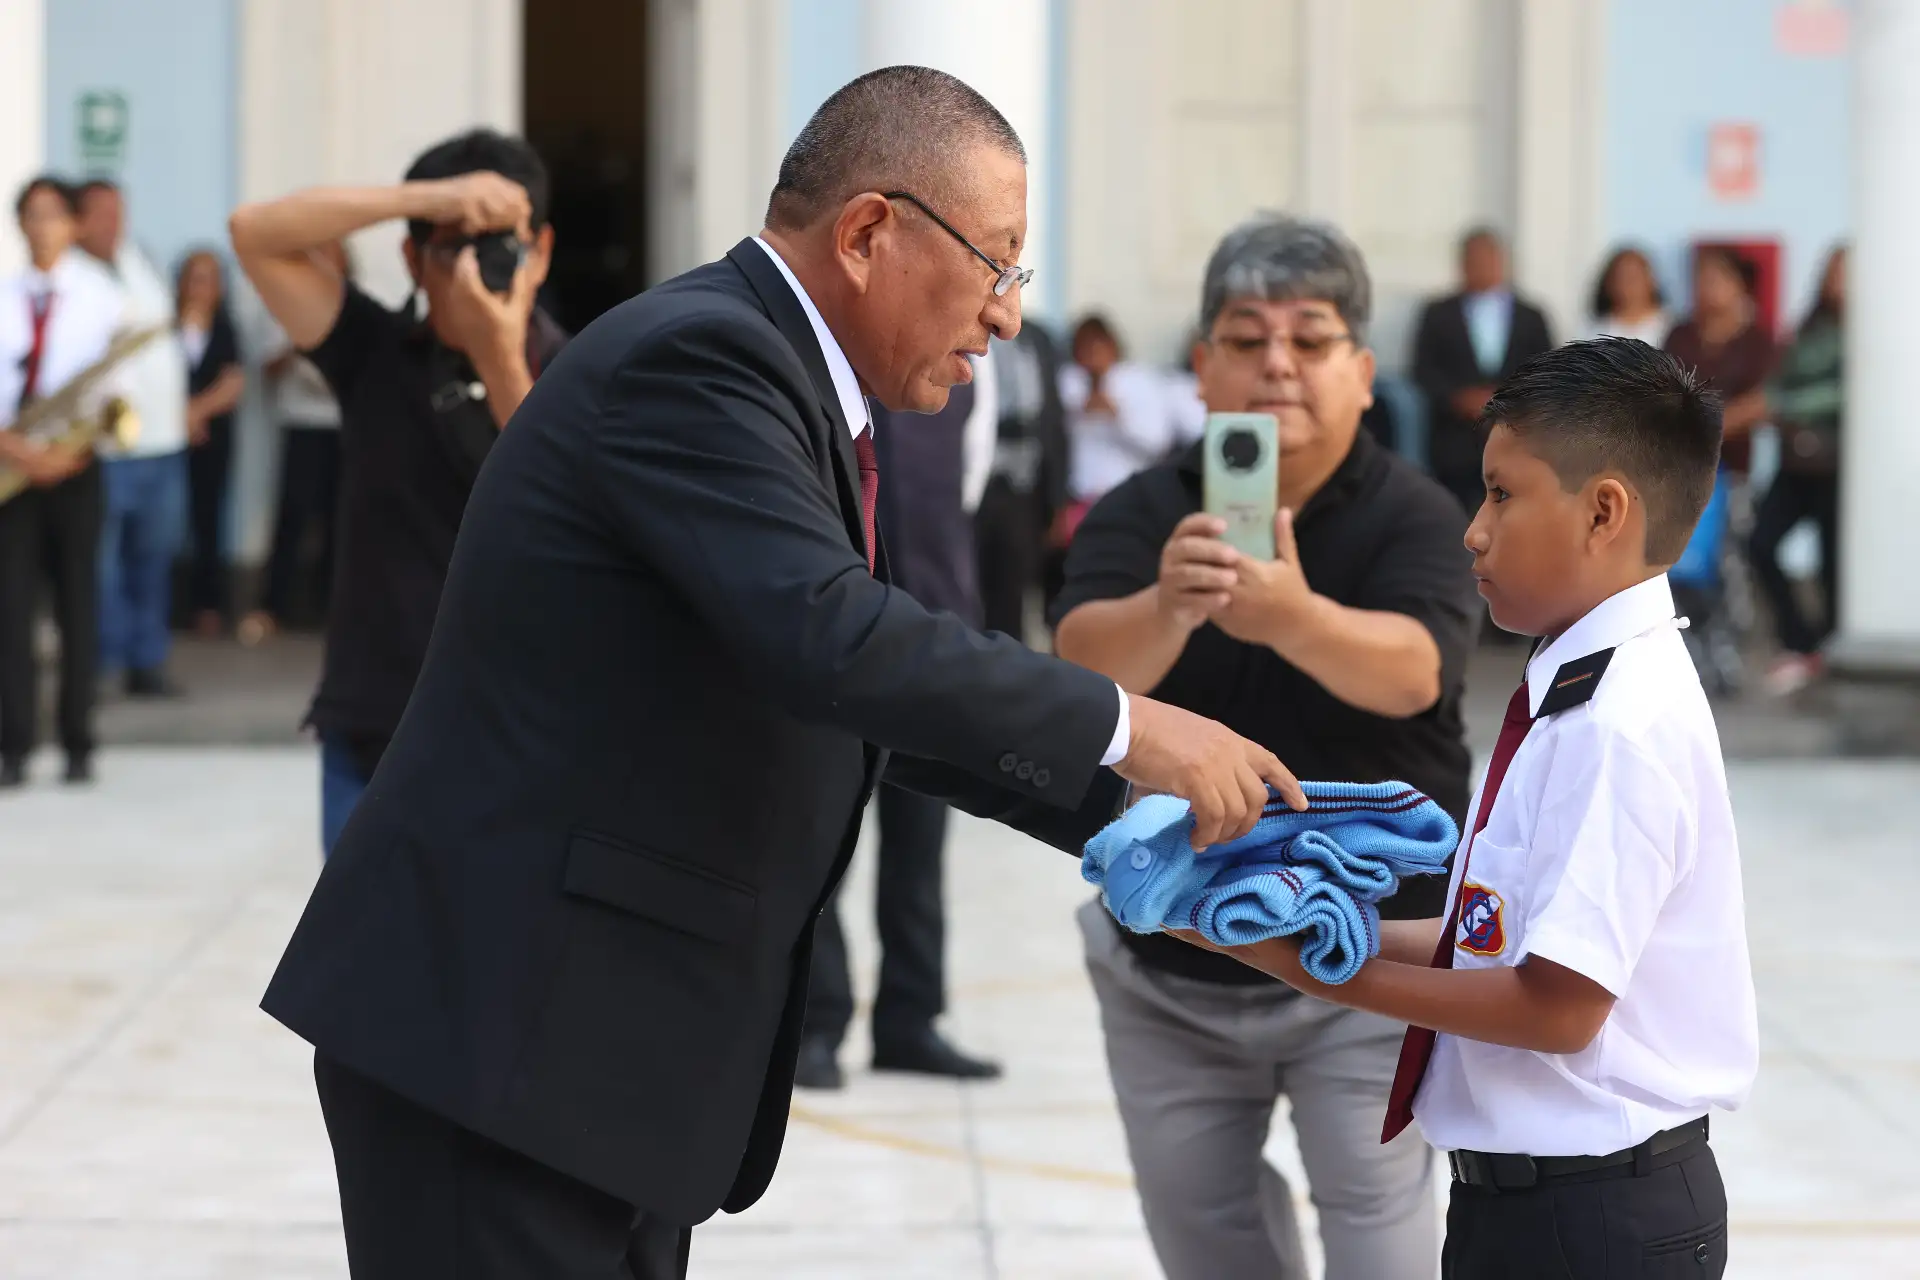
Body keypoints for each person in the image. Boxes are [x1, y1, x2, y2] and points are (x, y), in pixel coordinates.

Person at [258, 66, 1304, 1278]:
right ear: (869, 232)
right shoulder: (701, 359)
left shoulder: (791, 384)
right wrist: (1135, 725)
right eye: (1000, 264)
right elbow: (835, 634)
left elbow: (846, 687)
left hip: (594, 1059)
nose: (1010, 314)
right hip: (500, 1041)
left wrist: (1140, 816)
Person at [1186, 338, 1758, 1278]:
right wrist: (1295, 916)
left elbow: (1558, 1006)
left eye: (1502, 493)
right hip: (1539, 1203)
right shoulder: (1578, 684)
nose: (1473, 531)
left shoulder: (1616, 724)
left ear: (1603, 512)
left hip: (1595, 1219)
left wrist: (1316, 970)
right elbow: (1491, 941)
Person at [1051, 214, 1479, 1280]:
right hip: (1171, 965)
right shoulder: (1143, 507)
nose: (1278, 363)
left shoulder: (1419, 513)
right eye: (1245, 337)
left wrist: (1290, 614)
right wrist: (1169, 605)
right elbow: (1077, 663)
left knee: (1384, 1243)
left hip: (1372, 961)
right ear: (1201, 367)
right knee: (1209, 1243)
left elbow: (1416, 667)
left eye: (1312, 337)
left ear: (1365, 371)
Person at [228, 128, 570, 857]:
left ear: (539, 251)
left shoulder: (587, 372)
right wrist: (430, 198)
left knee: (500, 966)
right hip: (374, 726)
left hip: (523, 732)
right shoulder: (375, 354)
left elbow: (569, 495)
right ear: (412, 260)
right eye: (452, 246)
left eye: (499, 245)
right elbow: (254, 234)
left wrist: (498, 354)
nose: (478, 267)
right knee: (364, 966)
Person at [799, 351, 1004, 1090]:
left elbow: (967, 491)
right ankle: (815, 1024)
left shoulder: (974, 375)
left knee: (920, 849)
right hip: (835, 641)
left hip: (933, 638)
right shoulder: (817, 365)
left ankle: (910, 1020)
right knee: (818, 847)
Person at [0, 178, 123, 789]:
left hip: (75, 467)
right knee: (10, 610)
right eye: (32, 215)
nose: (43, 226)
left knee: (79, 605)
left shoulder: (100, 294)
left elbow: (112, 387)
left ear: (73, 225)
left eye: (54, 215)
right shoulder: (2, 296)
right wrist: (16, 449)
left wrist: (66, 452)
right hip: (9, 468)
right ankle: (14, 744)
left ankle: (79, 740)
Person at [77, 179, 193, 695]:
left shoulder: (138, 258)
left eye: (118, 212)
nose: (113, 223)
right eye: (102, 213)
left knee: (153, 556)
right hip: (107, 447)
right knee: (102, 563)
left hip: (162, 440)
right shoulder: (73, 276)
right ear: (79, 219)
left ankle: (147, 661)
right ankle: (102, 660)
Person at [238, 241, 351, 644]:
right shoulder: (285, 304)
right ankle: (275, 604)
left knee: (344, 516)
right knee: (293, 514)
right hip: (301, 420)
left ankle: (333, 607)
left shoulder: (359, 307)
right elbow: (265, 367)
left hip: (346, 423)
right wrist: (300, 344)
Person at [1750, 245, 1847, 696]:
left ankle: (1827, 647)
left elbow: (1847, 391)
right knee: (1761, 542)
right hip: (1798, 462)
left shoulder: (1878, 329)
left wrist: (1786, 406)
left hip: (1840, 466)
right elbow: (1777, 380)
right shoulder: (1809, 330)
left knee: (1835, 565)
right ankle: (1800, 641)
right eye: (1835, 272)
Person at [1412, 227, 1555, 517]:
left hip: (1517, 432)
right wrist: (1460, 399)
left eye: (1488, 258)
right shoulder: (1437, 313)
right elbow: (1423, 370)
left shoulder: (1532, 315)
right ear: (1461, 264)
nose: (1481, 266)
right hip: (1453, 438)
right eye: (1473, 259)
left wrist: (1504, 403)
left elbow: (1547, 371)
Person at [974, 322, 1069, 643]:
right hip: (971, 480)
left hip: (1024, 486)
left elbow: (1054, 420)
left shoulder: (1037, 338)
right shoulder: (967, 328)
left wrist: (1057, 499)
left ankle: (1003, 679)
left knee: (1013, 590)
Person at [176, 250, 245, 639]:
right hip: (169, 437)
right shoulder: (167, 327)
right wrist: (180, 417)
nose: (201, 287)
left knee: (208, 520)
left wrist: (196, 413)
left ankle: (208, 604)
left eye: (210, 278)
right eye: (195, 277)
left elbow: (233, 383)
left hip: (212, 437)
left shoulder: (225, 328)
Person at [1663, 246, 1775, 479]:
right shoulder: (1679, 335)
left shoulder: (1757, 341)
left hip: (1738, 466)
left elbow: (1763, 401)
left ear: (1739, 285)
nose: (1706, 287)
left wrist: (1709, 429)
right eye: (1701, 279)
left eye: (1716, 279)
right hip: (1681, 462)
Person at [1586, 245, 1670, 345]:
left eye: (1635, 277)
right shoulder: (1594, 334)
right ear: (1609, 283)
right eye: (1621, 277)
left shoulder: (1670, 328)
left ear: (1651, 281)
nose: (1628, 284)